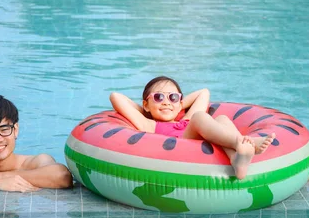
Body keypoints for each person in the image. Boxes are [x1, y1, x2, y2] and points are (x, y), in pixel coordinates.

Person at [109, 76, 275, 179]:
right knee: (199, 117)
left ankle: (237, 159)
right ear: (146, 104)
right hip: (183, 145)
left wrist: (177, 105)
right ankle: (242, 141)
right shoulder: (150, 124)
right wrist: (146, 110)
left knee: (222, 118)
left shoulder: (186, 117)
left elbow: (204, 92)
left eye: (173, 97)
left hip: (199, 131)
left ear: (180, 102)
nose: (166, 102)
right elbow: (115, 97)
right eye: (158, 97)